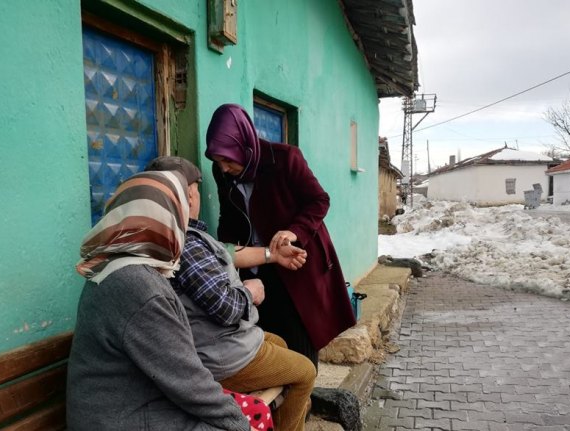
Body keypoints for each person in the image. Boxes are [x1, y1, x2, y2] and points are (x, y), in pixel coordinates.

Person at [66, 170, 265, 431]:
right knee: (249, 417)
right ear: (168, 220)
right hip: (123, 418)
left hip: (122, 407)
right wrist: (240, 425)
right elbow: (187, 380)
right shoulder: (137, 286)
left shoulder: (114, 266)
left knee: (252, 410)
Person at [145, 156, 315, 431]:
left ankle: (269, 418)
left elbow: (227, 252)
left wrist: (272, 255)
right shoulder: (187, 247)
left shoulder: (171, 236)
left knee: (280, 344)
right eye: (197, 189)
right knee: (306, 372)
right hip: (219, 356)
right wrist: (251, 292)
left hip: (215, 344)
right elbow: (226, 308)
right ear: (189, 195)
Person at [204, 103, 357, 368]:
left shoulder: (286, 159)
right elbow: (228, 217)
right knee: (266, 340)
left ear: (245, 145)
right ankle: (276, 404)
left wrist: (293, 231)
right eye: (218, 162)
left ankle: (302, 402)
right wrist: (226, 255)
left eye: (228, 159)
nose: (224, 168)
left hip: (293, 261)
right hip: (257, 266)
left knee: (300, 340)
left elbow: (319, 200)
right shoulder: (223, 173)